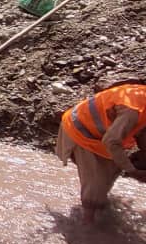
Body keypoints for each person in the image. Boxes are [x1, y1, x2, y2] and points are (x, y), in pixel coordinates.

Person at [55, 82, 146, 223]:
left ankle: (99, 210)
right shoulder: (132, 110)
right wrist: (132, 170)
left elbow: (140, 132)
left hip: (102, 133)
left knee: (112, 171)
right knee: (96, 185)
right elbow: (111, 141)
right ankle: (88, 228)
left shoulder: (140, 96)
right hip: (80, 131)